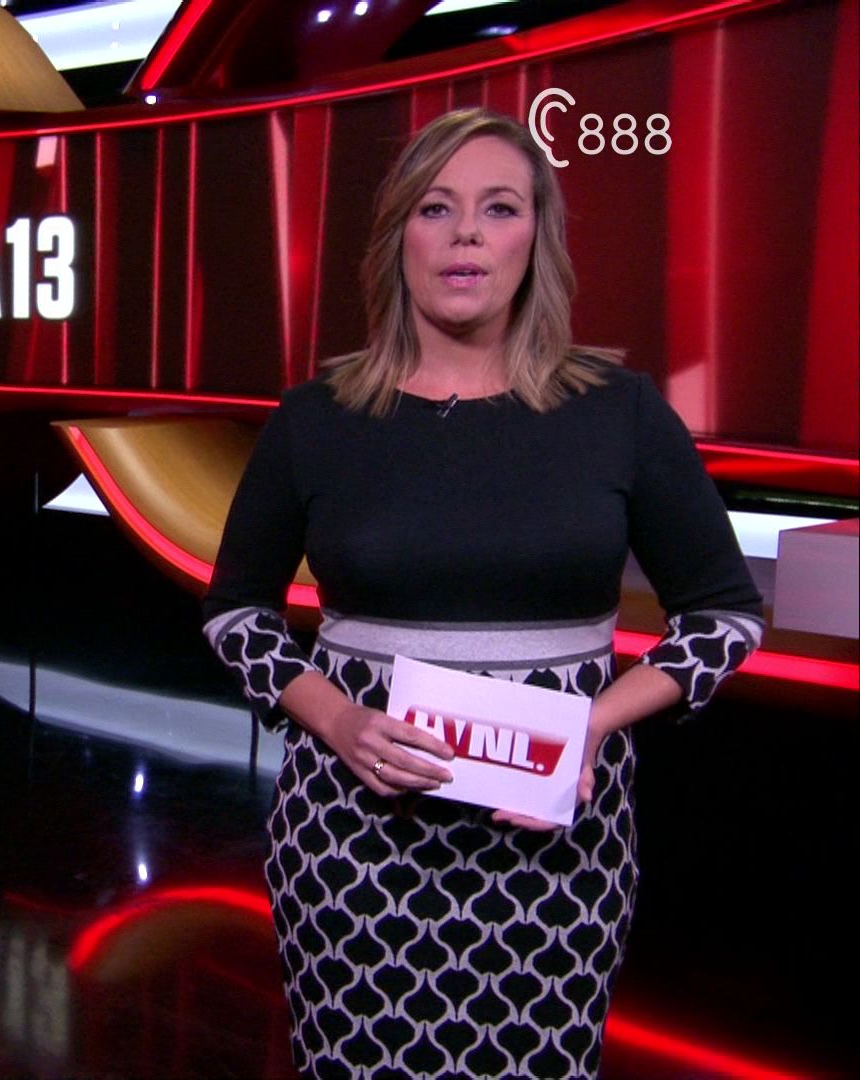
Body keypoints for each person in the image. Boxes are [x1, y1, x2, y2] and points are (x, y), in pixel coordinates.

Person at [200, 107, 764, 1078]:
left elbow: (725, 618)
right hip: (354, 850)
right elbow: (236, 612)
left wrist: (591, 725)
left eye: (499, 208)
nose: (466, 232)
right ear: (399, 238)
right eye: (436, 207)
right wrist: (337, 720)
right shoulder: (316, 419)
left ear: (535, 238)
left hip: (557, 854)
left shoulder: (621, 414)